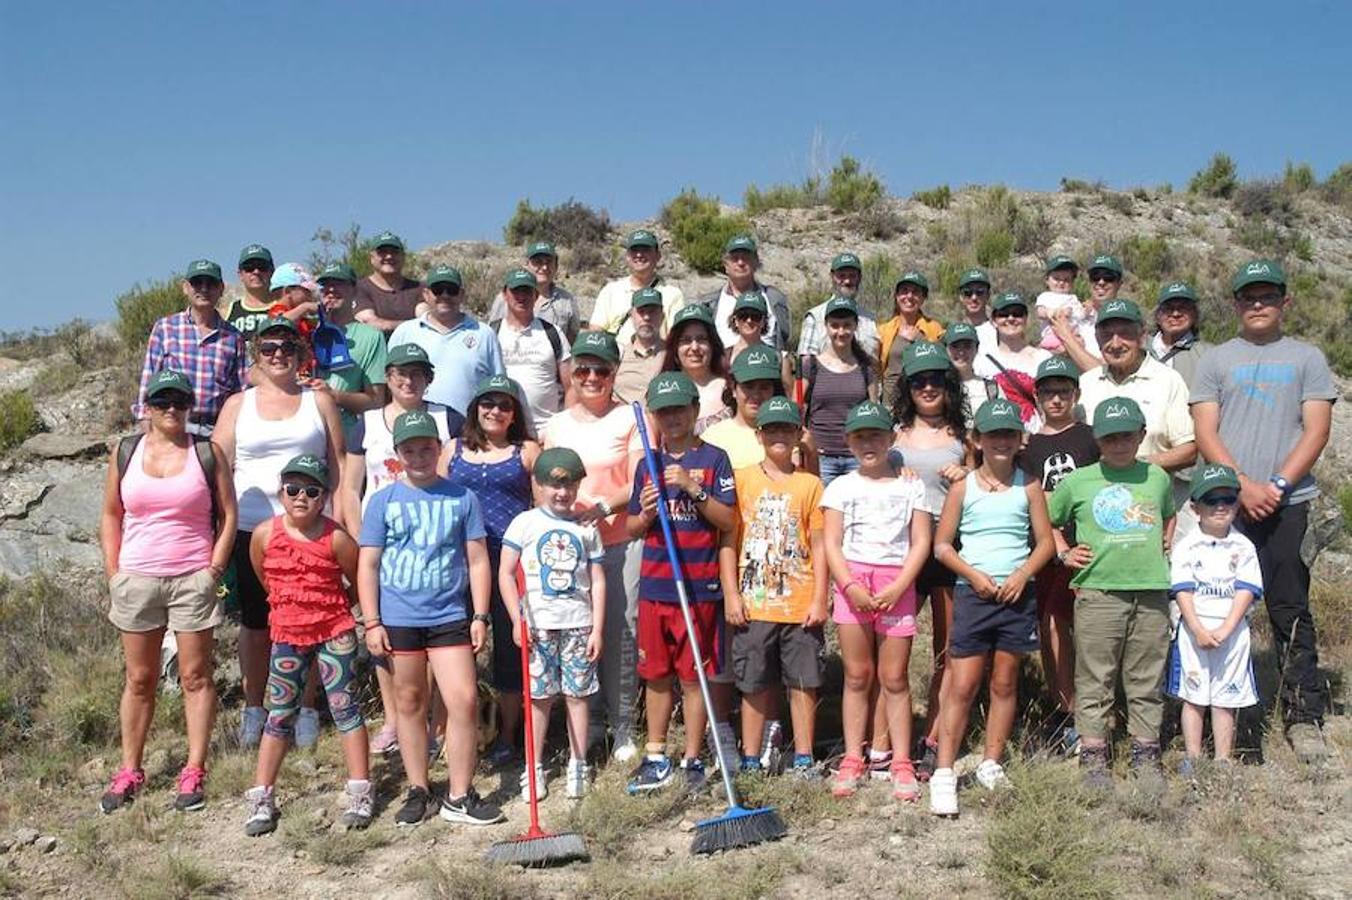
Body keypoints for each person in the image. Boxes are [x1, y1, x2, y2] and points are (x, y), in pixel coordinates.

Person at [1189, 258, 1337, 762]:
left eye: (1267, 296)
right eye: (1248, 297)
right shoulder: (1214, 359)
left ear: (1284, 302)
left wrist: (1273, 485)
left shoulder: (1307, 357)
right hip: (1223, 506)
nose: (1258, 305)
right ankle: (1204, 708)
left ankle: (1303, 714)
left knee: (1288, 605)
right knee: (1209, 603)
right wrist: (1241, 486)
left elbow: (1316, 428)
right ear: (1235, 304)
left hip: (1286, 502)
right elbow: (1205, 431)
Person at [98, 370, 236, 814]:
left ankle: (194, 768)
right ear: (148, 408)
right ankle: (130, 768)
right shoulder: (125, 452)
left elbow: (228, 515)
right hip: (137, 577)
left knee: (196, 677)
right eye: (162, 402)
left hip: (191, 577)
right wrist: (114, 571)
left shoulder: (206, 452)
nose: (171, 409)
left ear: (190, 405)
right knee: (139, 679)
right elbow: (111, 514)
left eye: (179, 401)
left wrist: (213, 568)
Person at [357, 410, 504, 826]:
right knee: (410, 701)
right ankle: (418, 788)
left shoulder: (462, 498)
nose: (419, 456)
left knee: (464, 699)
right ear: (397, 453)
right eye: (410, 449)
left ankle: (459, 794)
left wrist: (480, 614)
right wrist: (372, 621)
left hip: (450, 614)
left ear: (438, 449)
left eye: (426, 447)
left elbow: (477, 560)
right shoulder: (383, 501)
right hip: (400, 615)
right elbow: (368, 565)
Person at [213, 317, 346, 749]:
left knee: (308, 622)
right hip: (254, 528)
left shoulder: (318, 401)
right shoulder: (238, 405)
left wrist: (341, 520)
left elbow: (338, 463)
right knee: (257, 623)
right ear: (256, 355)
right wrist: (217, 525)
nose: (278, 355)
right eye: (268, 348)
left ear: (300, 353)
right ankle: (258, 708)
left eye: (287, 348)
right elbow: (217, 467)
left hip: (311, 530)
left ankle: (304, 709)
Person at [930, 399, 1055, 817]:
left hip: (1017, 596)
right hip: (973, 595)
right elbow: (943, 545)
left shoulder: (1029, 484)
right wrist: (974, 575)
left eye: (1009, 434)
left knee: (1005, 682)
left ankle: (991, 762)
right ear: (976, 440)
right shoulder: (963, 488)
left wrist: (1022, 575)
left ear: (1020, 440)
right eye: (992, 434)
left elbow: (1045, 544)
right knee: (962, 684)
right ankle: (944, 771)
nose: (1001, 441)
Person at [1047, 397, 1176, 787]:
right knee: (1095, 676)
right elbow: (1049, 519)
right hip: (1099, 590)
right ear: (1098, 440)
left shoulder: (1156, 477)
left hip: (1150, 588)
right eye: (1109, 438)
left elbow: (1168, 514)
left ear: (1141, 435)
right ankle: (1094, 754)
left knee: (1146, 675)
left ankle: (1145, 751)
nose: (1119, 444)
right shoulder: (1078, 481)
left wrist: (1165, 544)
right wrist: (1062, 551)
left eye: (1126, 436)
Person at [340, 342, 460, 754]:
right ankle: (395, 719)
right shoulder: (368, 423)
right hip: (381, 545)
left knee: (440, 637)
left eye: (417, 373)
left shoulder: (447, 419)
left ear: (429, 377)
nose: (408, 381)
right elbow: (349, 489)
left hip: (434, 544)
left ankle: (439, 725)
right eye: (399, 374)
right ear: (388, 377)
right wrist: (361, 540)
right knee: (386, 637)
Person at [242, 455, 371, 835]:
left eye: (311, 491)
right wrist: (292, 609)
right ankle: (262, 795)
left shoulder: (337, 539)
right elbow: (265, 577)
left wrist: (332, 611)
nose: (301, 497)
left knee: (345, 706)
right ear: (281, 492)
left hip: (335, 632)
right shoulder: (265, 535)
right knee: (280, 713)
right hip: (286, 635)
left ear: (324, 497)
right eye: (293, 489)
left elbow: (356, 580)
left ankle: (360, 790)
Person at [625, 372, 737, 793]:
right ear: (653, 416)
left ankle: (692, 757)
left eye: (680, 409)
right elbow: (633, 527)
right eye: (664, 411)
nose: (672, 418)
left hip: (699, 587)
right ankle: (656, 756)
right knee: (655, 673)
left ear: (694, 411)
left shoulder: (714, 460)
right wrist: (648, 513)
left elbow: (728, 521)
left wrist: (693, 488)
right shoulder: (646, 466)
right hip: (656, 586)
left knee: (694, 676)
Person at [542, 331, 646, 762]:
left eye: (600, 369)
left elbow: (641, 478)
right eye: (582, 368)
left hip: (618, 540)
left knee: (621, 630)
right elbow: (545, 482)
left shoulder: (631, 417)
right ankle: (592, 718)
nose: (590, 377)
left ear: (614, 373)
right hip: (571, 549)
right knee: (580, 632)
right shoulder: (558, 424)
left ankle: (623, 725)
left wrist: (602, 506)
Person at [822, 400, 931, 800]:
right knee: (856, 675)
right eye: (860, 436)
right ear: (849, 442)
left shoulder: (911, 485)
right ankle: (854, 756)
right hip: (853, 582)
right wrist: (849, 586)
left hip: (895, 584)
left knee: (895, 678)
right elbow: (832, 543)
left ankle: (901, 760)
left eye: (876, 434)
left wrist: (900, 585)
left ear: (891, 438)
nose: (868, 443)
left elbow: (921, 541)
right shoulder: (840, 486)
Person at [721, 396, 827, 777]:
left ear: (799, 434)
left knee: (802, 682)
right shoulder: (741, 479)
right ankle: (750, 756)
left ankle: (803, 757)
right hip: (754, 603)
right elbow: (729, 541)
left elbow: (820, 546)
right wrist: (731, 593)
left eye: (787, 428)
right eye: (771, 429)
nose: (779, 435)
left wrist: (820, 598)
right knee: (753, 682)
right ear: (759, 434)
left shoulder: (811, 485)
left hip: (800, 603)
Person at [444, 375, 541, 767]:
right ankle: (451, 729)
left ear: (515, 412)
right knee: (450, 645)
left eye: (504, 405)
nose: (495, 411)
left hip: (509, 562)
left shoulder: (527, 451)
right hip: (457, 559)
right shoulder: (453, 448)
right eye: (488, 403)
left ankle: (507, 734)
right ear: (475, 407)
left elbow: (540, 506)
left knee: (510, 647)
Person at [499, 447, 606, 800]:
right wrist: (517, 619)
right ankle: (534, 766)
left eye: (570, 485)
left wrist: (598, 628)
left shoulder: (585, 527)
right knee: (539, 698)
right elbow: (505, 572)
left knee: (577, 695)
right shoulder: (524, 523)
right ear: (538, 485)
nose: (562, 493)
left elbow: (598, 579)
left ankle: (578, 763)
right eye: (554, 485)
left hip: (578, 624)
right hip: (538, 625)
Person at [889, 341, 973, 781]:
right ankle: (885, 740)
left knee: (948, 648)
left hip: (948, 544)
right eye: (918, 380)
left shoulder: (962, 436)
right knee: (892, 646)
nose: (927, 388)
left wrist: (967, 474)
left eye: (935, 380)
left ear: (948, 385)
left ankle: (935, 736)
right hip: (901, 545)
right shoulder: (894, 432)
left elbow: (983, 481)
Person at [1019, 355, 1099, 753]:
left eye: (1063, 391)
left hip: (1090, 547)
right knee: (1051, 626)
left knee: (1092, 631)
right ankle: (1063, 707)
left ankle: (1096, 710)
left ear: (1075, 394)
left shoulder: (1091, 438)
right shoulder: (1028, 446)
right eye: (1048, 391)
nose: (1055, 399)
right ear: (1037, 397)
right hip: (1045, 548)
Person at [1165, 464, 1262, 776]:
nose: (1220, 507)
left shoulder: (1244, 547)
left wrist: (1226, 628)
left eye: (1228, 499)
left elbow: (1246, 589)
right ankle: (1193, 756)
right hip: (1194, 631)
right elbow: (1182, 589)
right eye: (1211, 500)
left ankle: (1223, 758)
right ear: (1195, 508)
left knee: (1225, 697)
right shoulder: (1186, 546)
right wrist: (1196, 628)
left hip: (1231, 632)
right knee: (1193, 697)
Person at [1078, 299, 1197, 533]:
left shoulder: (1168, 380)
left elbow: (1189, 450)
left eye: (1125, 334)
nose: (1115, 343)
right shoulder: (1086, 383)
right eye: (1107, 335)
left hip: (1156, 511)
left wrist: (1130, 466)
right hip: (1099, 513)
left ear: (1142, 336)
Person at [133, 259, 247, 437]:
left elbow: (241, 390)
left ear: (221, 289)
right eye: (197, 283)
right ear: (185, 287)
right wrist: (147, 424)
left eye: (210, 283)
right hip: (172, 426)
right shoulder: (165, 328)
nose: (204, 288)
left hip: (216, 430)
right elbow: (149, 379)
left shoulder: (234, 337)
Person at [389, 264, 505, 418]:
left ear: (461, 294)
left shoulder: (484, 334)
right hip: (415, 433)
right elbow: (389, 383)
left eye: (451, 290)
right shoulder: (404, 332)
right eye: (438, 290)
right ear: (426, 294)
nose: (445, 295)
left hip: (468, 433)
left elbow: (498, 386)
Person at [308, 263, 388, 439]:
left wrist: (334, 395)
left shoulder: (371, 337)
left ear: (354, 289)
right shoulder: (306, 331)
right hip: (303, 433)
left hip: (345, 434)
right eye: (326, 285)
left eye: (339, 284)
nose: (331, 290)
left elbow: (376, 400)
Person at [803, 297, 877, 485]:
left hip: (856, 458)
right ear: (826, 327)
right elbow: (799, 411)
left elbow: (874, 410)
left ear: (855, 326)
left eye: (846, 325)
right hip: (820, 458)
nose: (841, 332)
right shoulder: (811, 365)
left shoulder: (867, 367)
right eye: (835, 325)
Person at [489, 268, 570, 430]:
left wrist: (564, 429)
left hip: (546, 432)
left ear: (536, 295)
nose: (521, 296)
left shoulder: (553, 333)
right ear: (505, 294)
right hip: (502, 434)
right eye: (515, 291)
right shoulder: (491, 333)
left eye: (526, 291)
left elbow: (570, 386)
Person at [696, 234, 792, 353]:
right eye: (735, 258)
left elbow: (784, 341)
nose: (740, 263)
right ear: (726, 265)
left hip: (766, 368)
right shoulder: (709, 304)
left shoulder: (774, 299)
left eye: (746, 257)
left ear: (756, 263)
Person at [589, 229, 686, 343]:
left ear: (658, 256)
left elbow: (676, 336)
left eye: (645, 250)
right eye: (634, 250)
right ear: (627, 257)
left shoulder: (673, 294)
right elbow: (596, 330)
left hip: (656, 358)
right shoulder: (610, 291)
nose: (639, 255)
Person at [703, 346, 789, 470]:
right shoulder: (712, 438)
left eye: (764, 387)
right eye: (748, 386)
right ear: (733, 388)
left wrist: (811, 453)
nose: (756, 395)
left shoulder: (786, 436)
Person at [973, 292, 1050, 430]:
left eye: (1017, 313)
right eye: (1003, 314)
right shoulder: (981, 361)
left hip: (1035, 433)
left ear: (1026, 318)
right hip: (996, 434)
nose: (1011, 318)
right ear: (993, 321)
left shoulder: (1043, 358)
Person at [878, 270, 946, 410]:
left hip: (923, 404)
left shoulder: (934, 329)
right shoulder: (884, 330)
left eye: (915, 292)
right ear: (896, 296)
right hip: (890, 404)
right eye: (904, 291)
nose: (909, 296)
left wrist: (919, 339)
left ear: (923, 297)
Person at [487, 241, 582, 341]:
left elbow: (572, 340)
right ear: (527, 265)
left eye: (549, 262)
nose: (544, 267)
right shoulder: (505, 298)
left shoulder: (567, 301)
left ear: (556, 266)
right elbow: (491, 334)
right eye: (538, 262)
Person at [796, 252, 881, 360]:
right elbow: (805, 363)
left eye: (852, 276)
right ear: (832, 276)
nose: (847, 281)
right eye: (841, 276)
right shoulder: (815, 317)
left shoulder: (871, 319)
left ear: (859, 278)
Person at [661, 304, 731, 434]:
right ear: (675, 348)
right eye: (685, 340)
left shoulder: (732, 389)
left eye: (701, 339)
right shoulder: (662, 392)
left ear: (712, 345)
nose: (694, 347)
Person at [1051, 253, 1123, 373]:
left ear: (1120, 283)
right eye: (1095, 277)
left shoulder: (1125, 323)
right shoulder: (1075, 313)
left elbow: (1105, 373)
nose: (1101, 282)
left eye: (1108, 277)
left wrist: (1067, 338)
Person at [720, 292, 794, 391]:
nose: (749, 320)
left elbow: (789, 395)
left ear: (764, 321)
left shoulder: (780, 358)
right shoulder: (723, 358)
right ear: (735, 320)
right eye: (743, 316)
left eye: (755, 316)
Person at [353, 231, 423, 334]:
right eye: (382, 252)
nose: (389, 256)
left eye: (394, 252)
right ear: (372, 258)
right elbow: (369, 323)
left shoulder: (419, 288)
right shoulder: (358, 288)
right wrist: (413, 326)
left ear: (403, 257)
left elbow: (427, 320)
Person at [1150, 280, 1213, 390]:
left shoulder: (1209, 354)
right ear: (1157, 316)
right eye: (1168, 308)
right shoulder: (1139, 349)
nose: (1176, 314)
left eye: (1183, 308)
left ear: (1195, 314)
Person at [614, 287, 669, 407]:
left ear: (662, 315)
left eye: (652, 312)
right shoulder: (617, 353)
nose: (647, 317)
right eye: (641, 311)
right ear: (631, 315)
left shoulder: (673, 354)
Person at [943, 322, 996, 428]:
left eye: (967, 346)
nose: (961, 352)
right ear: (946, 349)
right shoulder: (939, 387)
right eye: (955, 346)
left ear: (976, 349)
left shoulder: (992, 388)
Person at [226, 244, 278, 338]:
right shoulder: (227, 311)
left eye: (262, 267)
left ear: (272, 271)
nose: (256, 272)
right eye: (249, 267)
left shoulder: (285, 307)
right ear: (240, 274)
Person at [1035, 258, 1086, 353]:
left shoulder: (1073, 299)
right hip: (1052, 335)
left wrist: (1085, 309)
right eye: (1056, 279)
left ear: (1072, 283)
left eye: (1066, 280)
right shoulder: (1045, 296)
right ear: (1047, 280)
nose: (1061, 283)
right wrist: (1052, 313)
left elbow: (1081, 315)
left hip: (1072, 336)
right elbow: (1040, 312)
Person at [955, 267, 998, 358]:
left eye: (980, 292)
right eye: (968, 293)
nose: (974, 298)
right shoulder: (953, 333)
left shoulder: (999, 331)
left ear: (988, 295)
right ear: (961, 297)